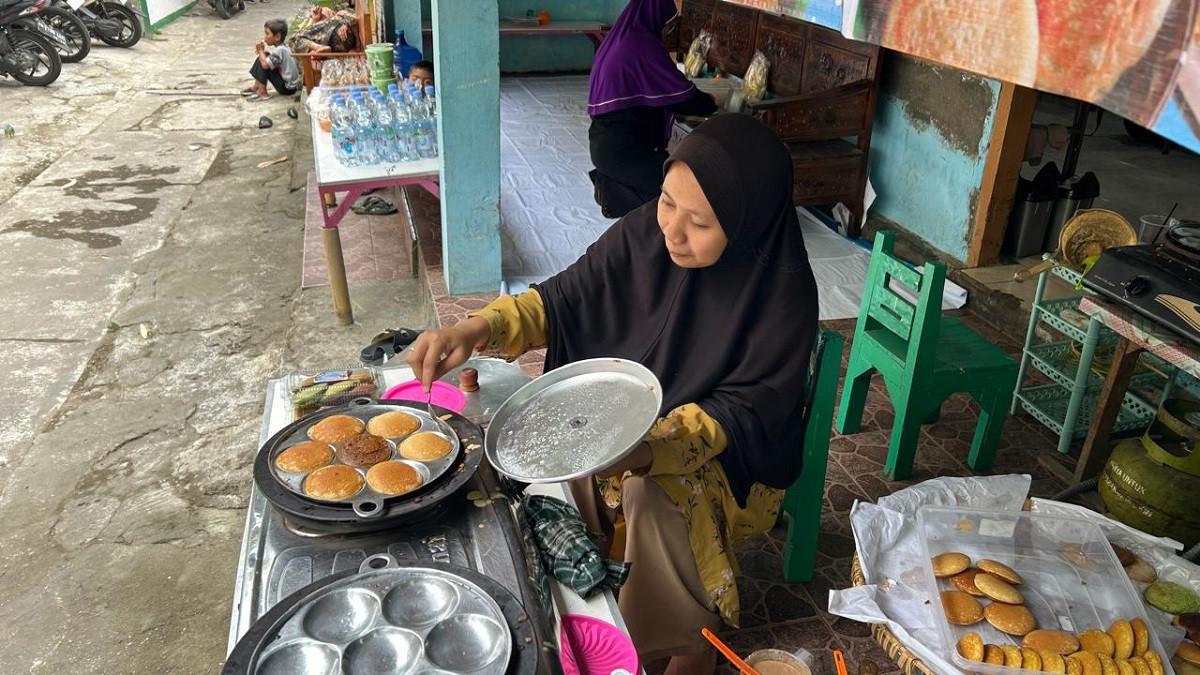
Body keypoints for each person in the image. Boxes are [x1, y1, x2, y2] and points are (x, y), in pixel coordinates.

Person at [407, 114, 818, 675]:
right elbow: (562, 299)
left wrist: (643, 449)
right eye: (667, 201)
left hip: (729, 458)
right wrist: (474, 330)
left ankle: (687, 639)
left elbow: (743, 413)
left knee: (654, 495)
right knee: (559, 450)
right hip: (634, 423)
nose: (671, 231)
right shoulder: (644, 233)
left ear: (747, 225)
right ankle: (594, 593)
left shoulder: (781, 297)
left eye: (698, 222)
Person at [586, 0, 718, 219]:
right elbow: (684, 98)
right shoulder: (642, 45)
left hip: (606, 143)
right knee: (678, 192)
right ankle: (612, 194)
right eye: (667, 21)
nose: (668, 28)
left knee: (665, 188)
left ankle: (612, 185)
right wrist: (712, 102)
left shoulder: (621, 38)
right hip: (623, 150)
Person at [242, 19, 299, 101]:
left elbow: (265, 65)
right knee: (265, 56)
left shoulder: (281, 50)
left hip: (287, 88)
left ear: (277, 37)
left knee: (264, 60)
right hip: (291, 87)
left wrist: (261, 51)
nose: (265, 37)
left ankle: (262, 92)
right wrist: (262, 53)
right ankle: (256, 87)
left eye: (267, 34)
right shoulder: (284, 48)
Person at [288, 6, 359, 54]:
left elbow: (354, 17)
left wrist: (346, 24)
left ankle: (318, 48)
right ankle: (318, 48)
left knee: (294, 39)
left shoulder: (340, 15)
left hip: (336, 39)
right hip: (334, 42)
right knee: (295, 39)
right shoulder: (327, 21)